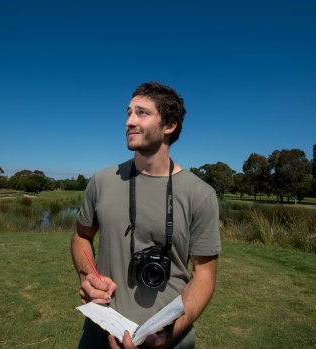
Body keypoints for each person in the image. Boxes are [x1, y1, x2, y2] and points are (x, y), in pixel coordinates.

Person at [71, 81, 221, 349]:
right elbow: (81, 237)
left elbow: (204, 276)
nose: (129, 121)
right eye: (128, 112)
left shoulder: (200, 194)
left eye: (141, 113)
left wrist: (171, 334)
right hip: (101, 330)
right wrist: (87, 277)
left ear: (169, 125)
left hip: (170, 337)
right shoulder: (102, 180)